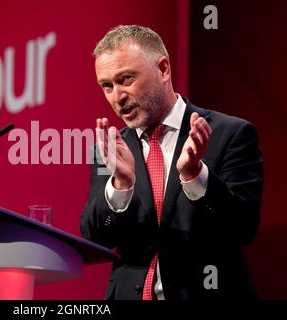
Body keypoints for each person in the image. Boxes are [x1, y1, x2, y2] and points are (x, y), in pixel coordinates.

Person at [80, 25, 263, 300]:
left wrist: (196, 177)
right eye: (107, 85)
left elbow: (242, 228)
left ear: (163, 69)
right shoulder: (110, 148)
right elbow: (95, 236)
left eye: (126, 79)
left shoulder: (230, 133)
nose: (117, 97)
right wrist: (120, 185)